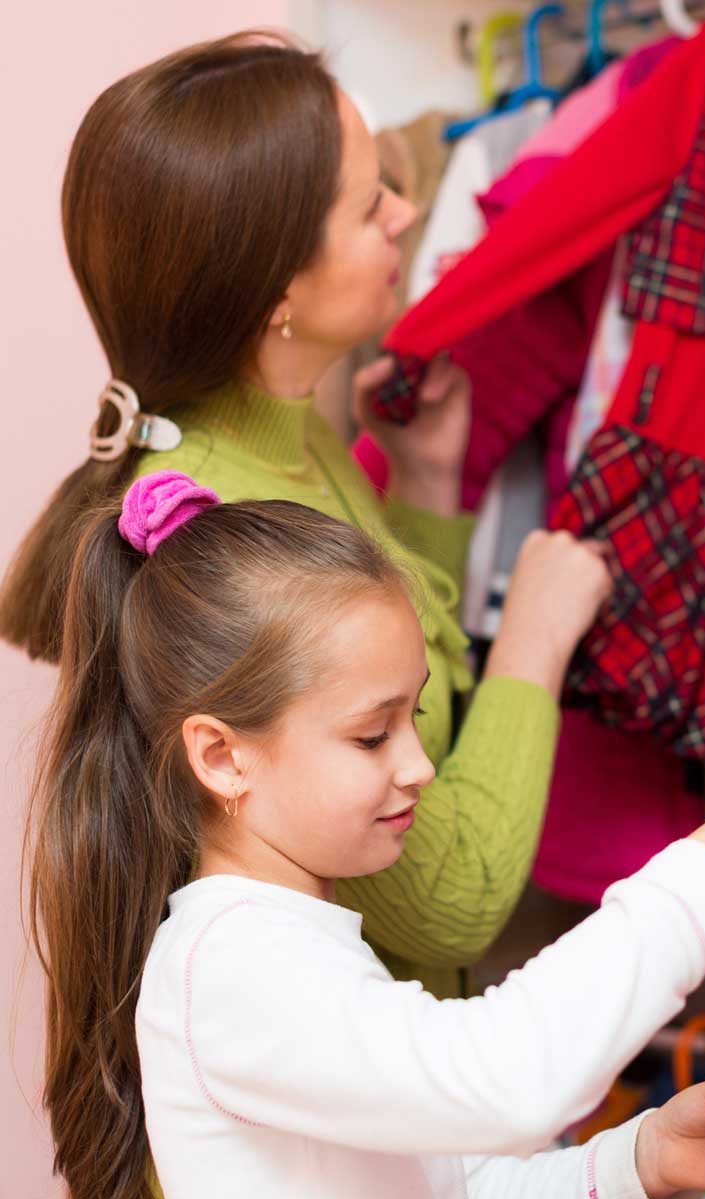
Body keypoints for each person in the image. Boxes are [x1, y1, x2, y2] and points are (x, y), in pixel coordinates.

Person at [29, 471, 705, 1199]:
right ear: (222, 756)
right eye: (372, 735)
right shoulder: (227, 966)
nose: (418, 765)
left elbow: (448, 1186)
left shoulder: (288, 945)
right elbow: (506, 1078)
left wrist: (641, 1160)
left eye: (419, 717)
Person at [0, 33, 612, 998]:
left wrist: (422, 490)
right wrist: (533, 640)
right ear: (279, 289)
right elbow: (448, 892)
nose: (408, 215)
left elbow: (372, 670)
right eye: (372, 205)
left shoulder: (285, 431)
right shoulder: (225, 520)